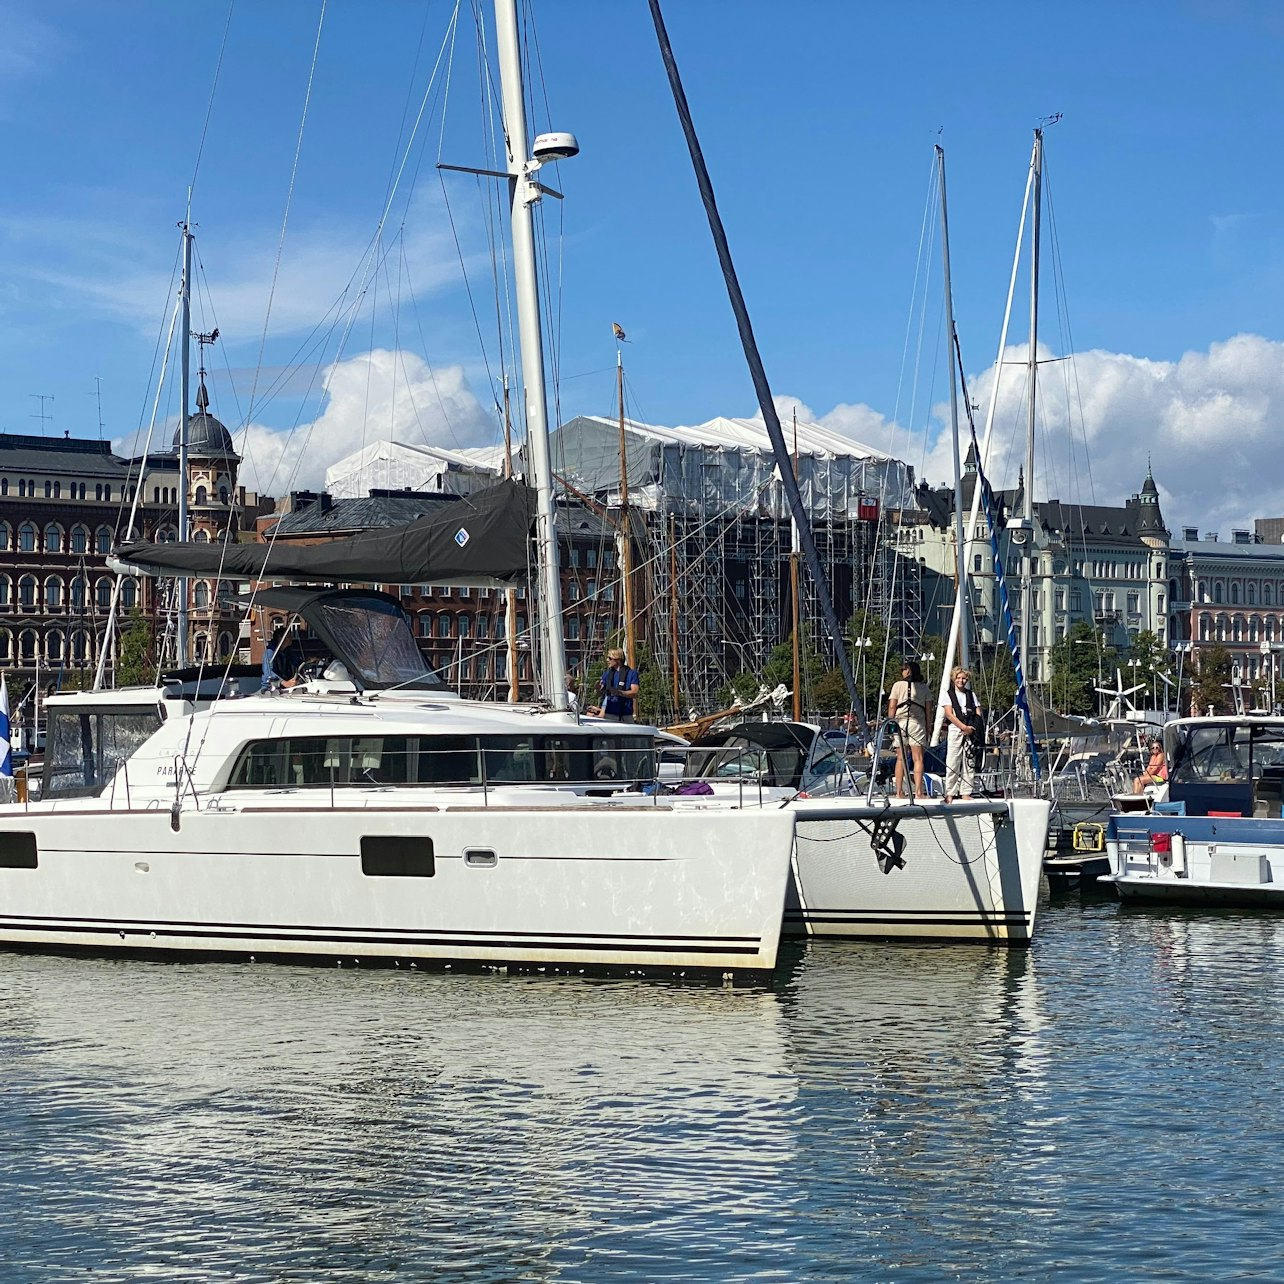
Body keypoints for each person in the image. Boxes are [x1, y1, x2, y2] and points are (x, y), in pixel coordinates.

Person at [887, 660, 932, 799]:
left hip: (900, 723)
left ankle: (899, 792)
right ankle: (919, 792)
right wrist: (928, 727)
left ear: (908, 671)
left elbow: (892, 706)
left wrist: (891, 723)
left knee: (900, 758)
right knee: (918, 759)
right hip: (917, 723)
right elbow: (929, 711)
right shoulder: (924, 688)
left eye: (903, 669)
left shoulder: (897, 685)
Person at [943, 666, 980, 803]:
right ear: (954, 679)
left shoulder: (971, 695)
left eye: (964, 678)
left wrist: (973, 728)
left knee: (969, 762)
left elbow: (978, 712)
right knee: (953, 761)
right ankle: (950, 792)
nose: (961, 680)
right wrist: (962, 727)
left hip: (970, 729)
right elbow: (949, 714)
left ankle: (966, 791)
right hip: (955, 729)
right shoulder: (948, 694)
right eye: (958, 678)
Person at [598, 649, 640, 723]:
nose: (607, 660)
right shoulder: (607, 674)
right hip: (610, 714)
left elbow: (635, 692)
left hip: (626, 714)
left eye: (610, 658)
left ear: (618, 660)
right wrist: (598, 688)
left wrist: (619, 692)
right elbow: (600, 692)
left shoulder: (632, 673)